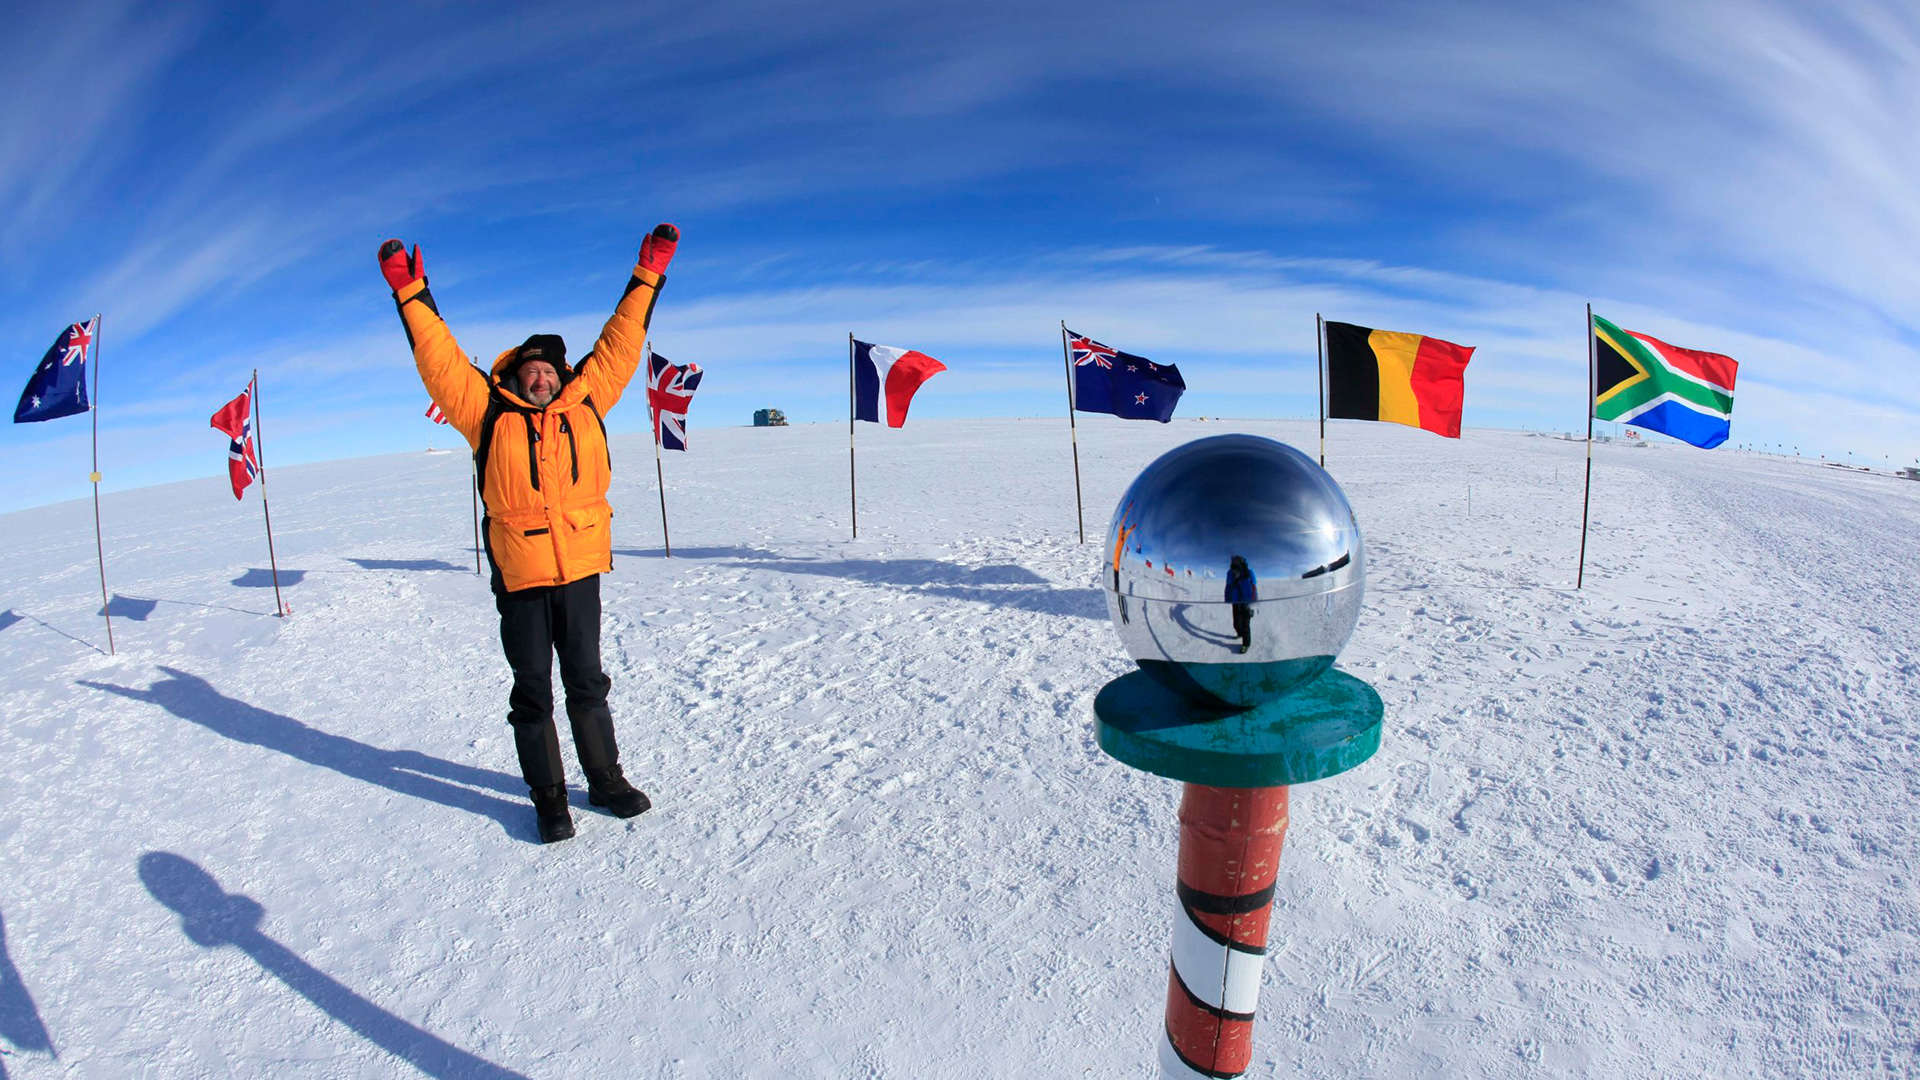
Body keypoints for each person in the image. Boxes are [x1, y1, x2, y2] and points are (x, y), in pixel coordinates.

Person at [376, 225, 679, 843]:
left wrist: (647, 274)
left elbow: (621, 343)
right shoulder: (484, 409)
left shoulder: (586, 399)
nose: (540, 377)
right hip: (520, 575)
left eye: (548, 369)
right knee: (533, 691)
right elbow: (439, 360)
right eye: (530, 369)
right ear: (513, 374)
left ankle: (606, 780)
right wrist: (413, 295)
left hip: (581, 569)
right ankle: (548, 797)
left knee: (588, 682)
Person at [1224, 554, 1257, 654]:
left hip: (1246, 602)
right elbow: (1228, 586)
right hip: (1235, 601)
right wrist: (1228, 599)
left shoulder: (1249, 572)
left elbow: (1254, 588)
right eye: (1233, 560)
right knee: (1236, 622)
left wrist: (1253, 604)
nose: (1234, 562)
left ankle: (1246, 644)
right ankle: (1240, 633)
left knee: (1245, 624)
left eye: (1237, 560)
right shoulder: (1230, 572)